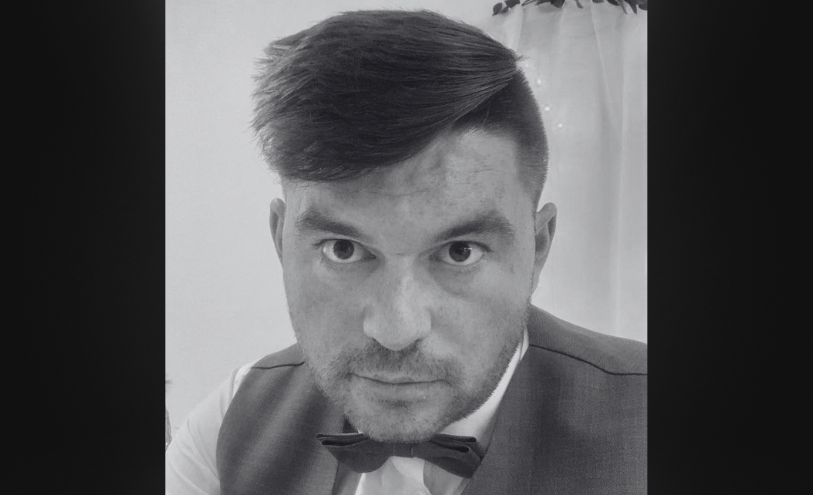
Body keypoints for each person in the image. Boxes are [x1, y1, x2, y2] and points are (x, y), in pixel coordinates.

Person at [165, 9, 646, 495]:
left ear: (537, 247)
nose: (396, 331)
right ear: (280, 240)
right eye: (343, 249)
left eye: (460, 252)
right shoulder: (231, 418)